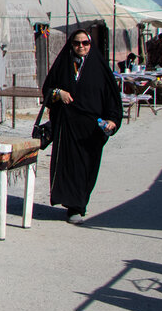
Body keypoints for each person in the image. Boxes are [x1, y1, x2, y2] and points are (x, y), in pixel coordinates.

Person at [41, 29, 123, 225]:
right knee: (70, 167)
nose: (81, 47)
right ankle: (73, 206)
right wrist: (58, 93)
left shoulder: (99, 67)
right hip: (67, 127)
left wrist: (112, 120)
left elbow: (112, 97)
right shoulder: (63, 64)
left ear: (90, 44)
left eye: (85, 43)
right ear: (71, 44)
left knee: (87, 167)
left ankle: (81, 202)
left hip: (91, 130)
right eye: (77, 43)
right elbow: (47, 90)